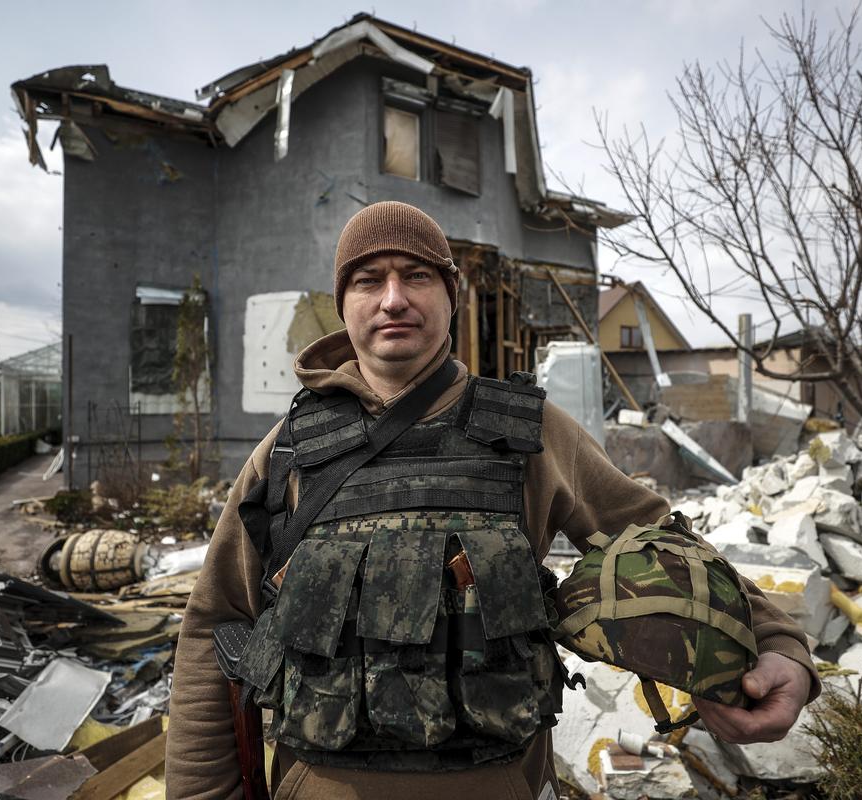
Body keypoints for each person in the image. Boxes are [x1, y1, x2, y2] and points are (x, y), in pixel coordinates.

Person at [166, 201, 819, 800]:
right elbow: (214, 623)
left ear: (452, 297)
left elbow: (658, 538)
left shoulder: (530, 432)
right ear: (344, 303)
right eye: (368, 280)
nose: (393, 298)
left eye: (417, 276)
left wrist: (774, 643)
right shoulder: (286, 452)